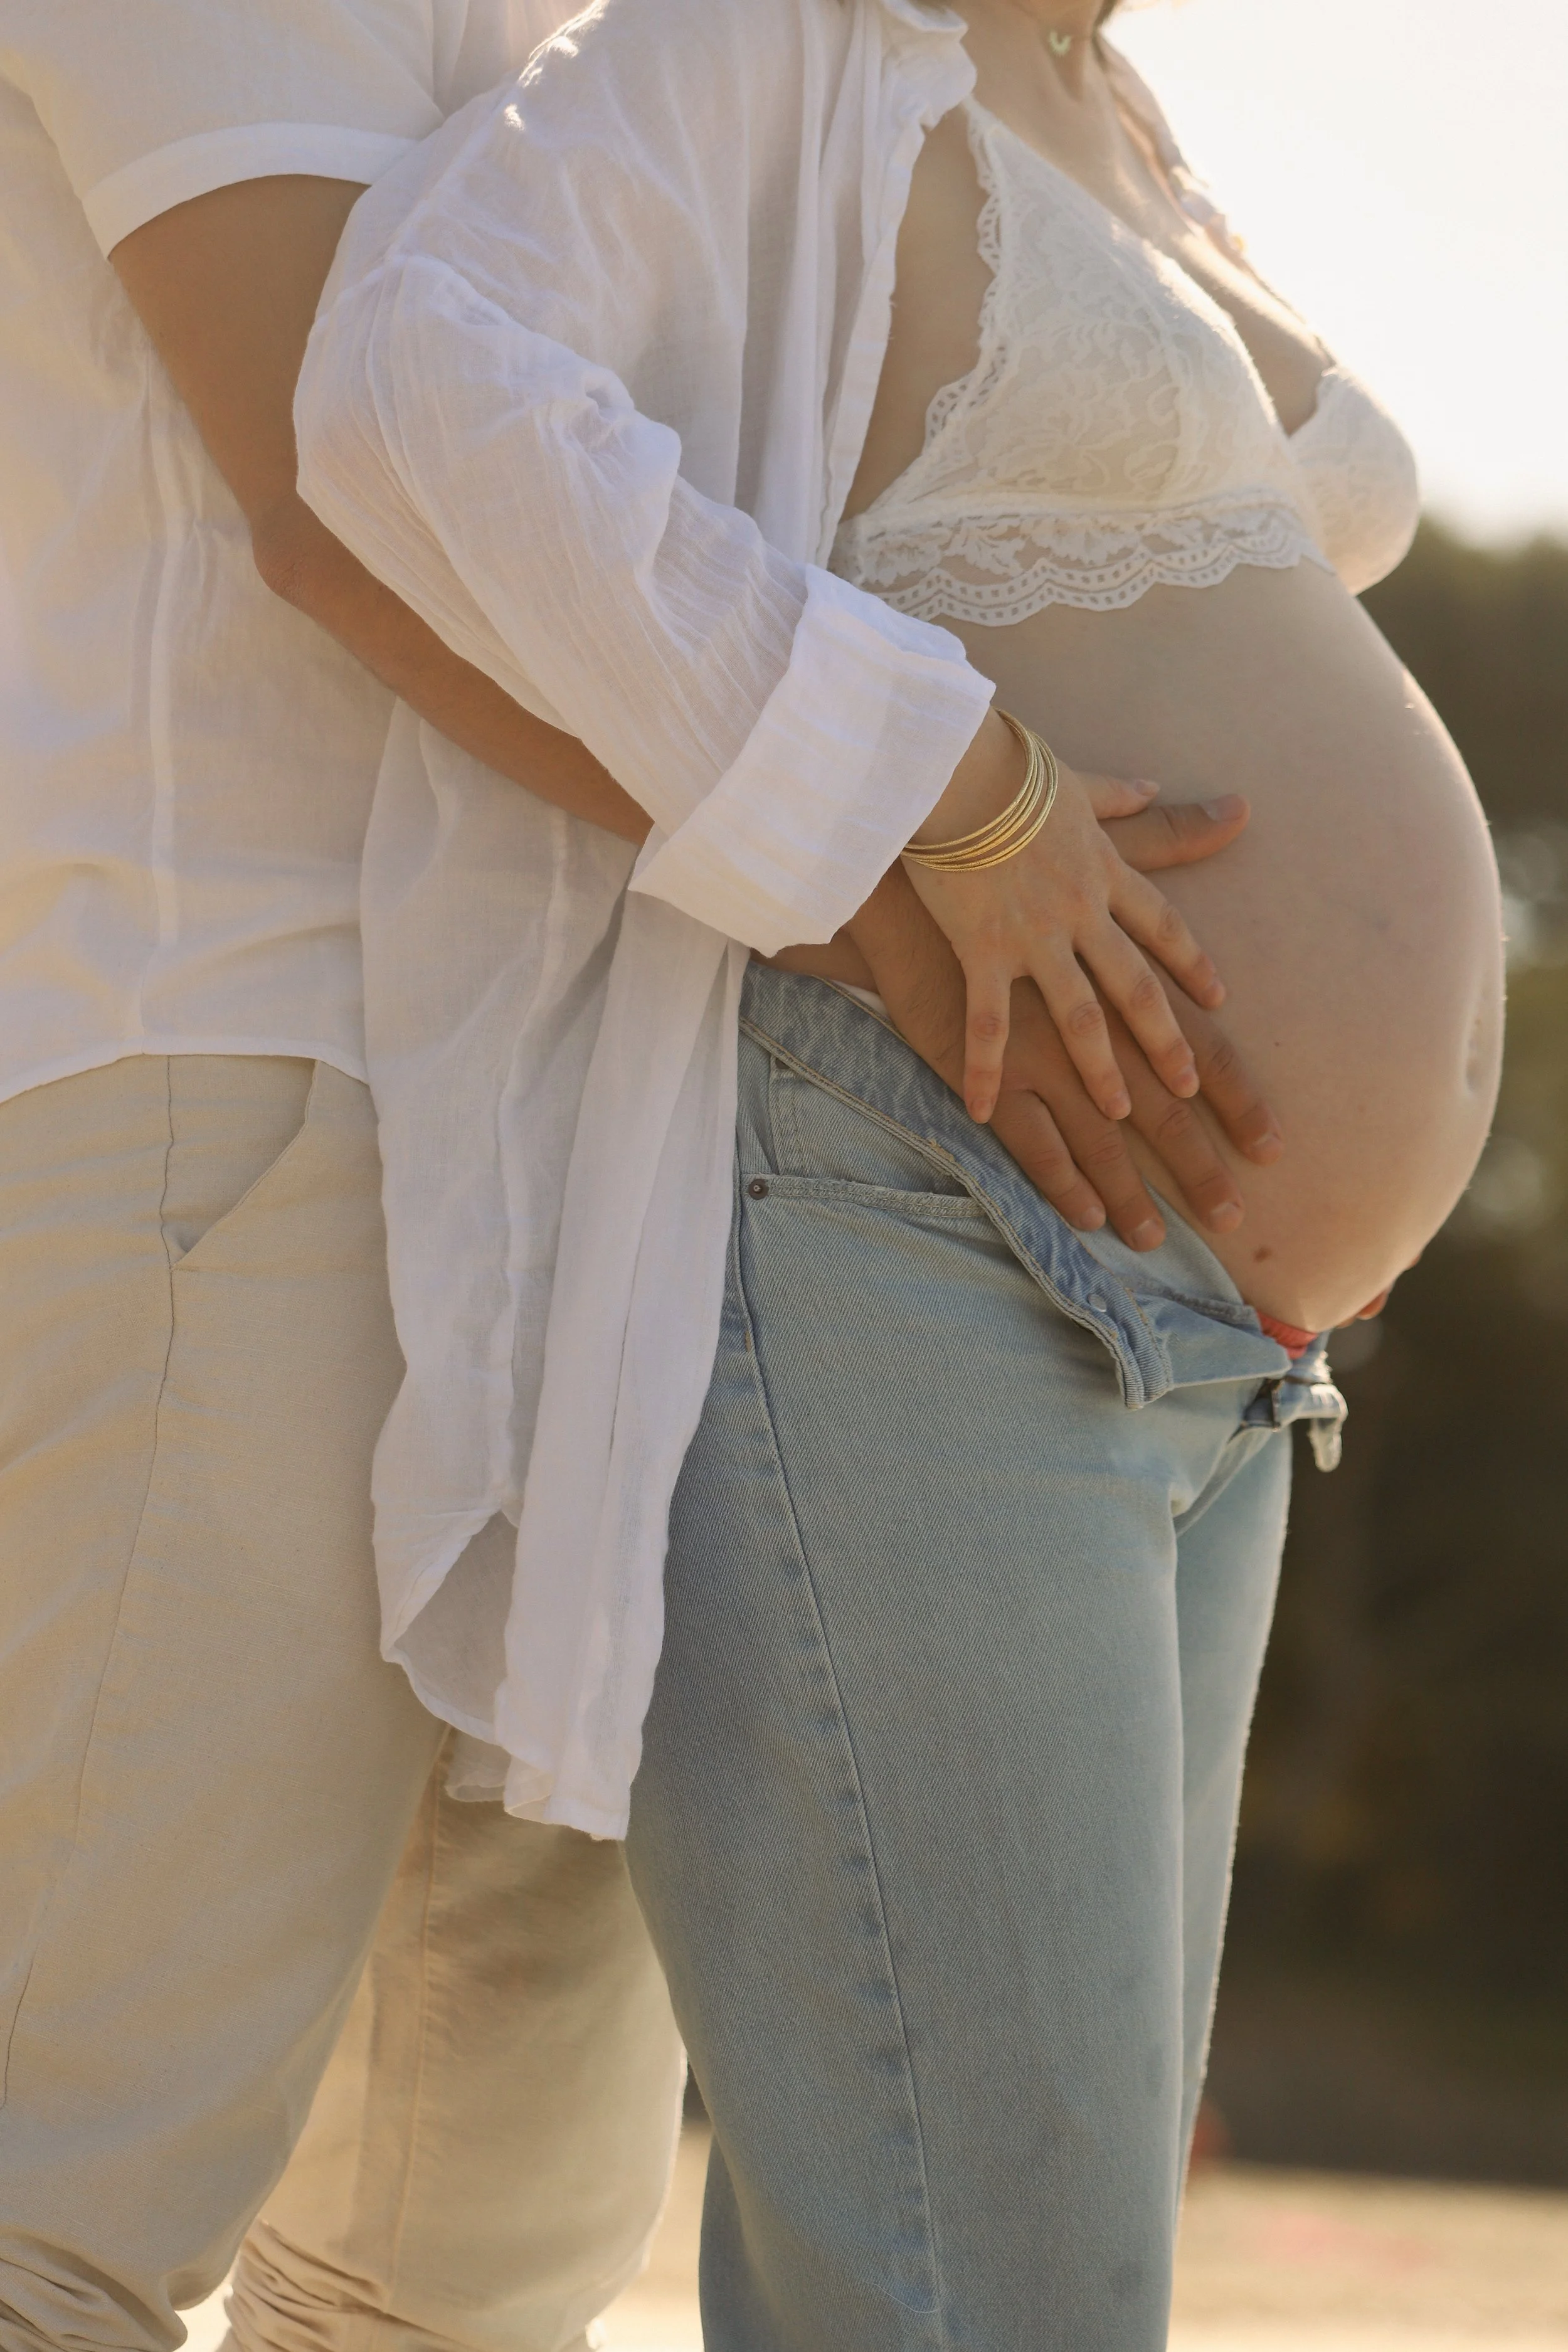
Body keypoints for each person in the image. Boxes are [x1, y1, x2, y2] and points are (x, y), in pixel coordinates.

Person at [288, 0, 1503, 2341]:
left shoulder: (1119, 109)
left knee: (1042, 2291)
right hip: (914, 1236)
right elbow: (411, 369)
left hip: (1213, 1355)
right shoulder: (782, 38)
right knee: (989, 2305)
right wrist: (942, 779)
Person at [0, 6, 694, 2346]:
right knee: (60, 2206)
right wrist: (932, 861)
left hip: (573, 1156)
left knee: (463, 2279)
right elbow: (341, 480)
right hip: (249, 1081)